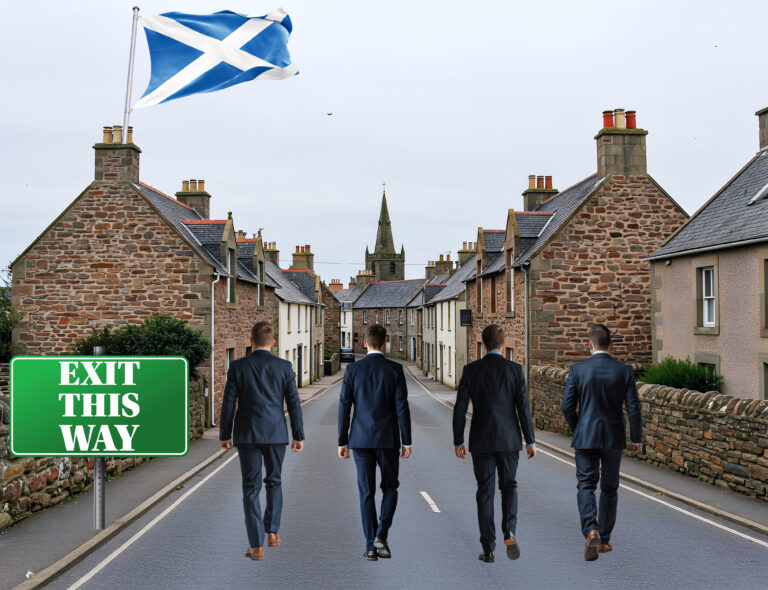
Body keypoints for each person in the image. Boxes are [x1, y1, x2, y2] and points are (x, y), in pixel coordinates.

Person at [219, 321, 305, 561]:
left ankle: (256, 546)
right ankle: (273, 532)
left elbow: (228, 403)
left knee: (250, 488)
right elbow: (294, 403)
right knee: (274, 482)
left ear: (251, 340)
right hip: (276, 434)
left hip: (247, 435)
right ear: (273, 342)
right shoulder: (284, 367)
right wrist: (298, 434)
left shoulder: (237, 367)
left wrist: (225, 434)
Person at [453, 324, 536, 564]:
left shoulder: (471, 370)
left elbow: (460, 408)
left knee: (485, 492)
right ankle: (509, 531)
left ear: (484, 343)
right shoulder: (515, 370)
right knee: (509, 487)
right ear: (502, 344)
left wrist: (458, 440)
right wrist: (530, 440)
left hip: (481, 440)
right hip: (509, 440)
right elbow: (523, 409)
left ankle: (488, 549)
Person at [561, 323, 642, 561]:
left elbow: (566, 407)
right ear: (611, 345)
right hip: (613, 438)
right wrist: (636, 438)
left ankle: (591, 530)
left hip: (585, 436)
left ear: (590, 345)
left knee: (586, 484)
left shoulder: (578, 370)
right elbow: (634, 408)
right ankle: (604, 540)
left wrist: (578, 429)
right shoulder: (624, 371)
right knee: (609, 488)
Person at [338, 324, 412, 561]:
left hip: (360, 440)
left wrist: (342, 441)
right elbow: (402, 406)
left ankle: (370, 546)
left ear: (365, 344)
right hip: (388, 439)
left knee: (366, 492)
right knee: (390, 487)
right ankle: (382, 533)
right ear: (385, 343)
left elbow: (344, 406)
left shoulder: (353, 370)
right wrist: (407, 440)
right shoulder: (395, 370)